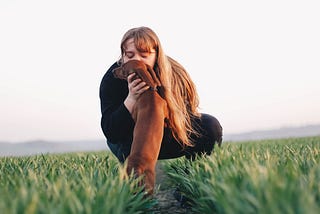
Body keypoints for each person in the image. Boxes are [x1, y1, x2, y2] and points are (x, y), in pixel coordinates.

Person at [99, 26, 223, 164]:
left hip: (170, 134)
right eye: (130, 55)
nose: (137, 60)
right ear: (122, 55)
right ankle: (135, 178)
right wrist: (131, 98)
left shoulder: (174, 72)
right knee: (130, 154)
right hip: (129, 141)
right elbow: (111, 133)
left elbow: (189, 113)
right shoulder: (113, 78)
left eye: (144, 55)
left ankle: (193, 176)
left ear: (156, 55)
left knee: (209, 125)